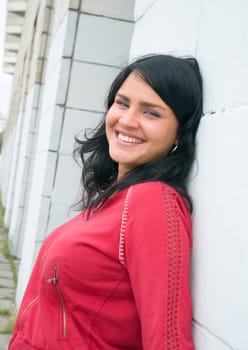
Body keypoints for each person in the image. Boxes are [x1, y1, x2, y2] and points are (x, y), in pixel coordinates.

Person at [9, 53, 203, 350]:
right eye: (122, 103)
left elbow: (168, 340)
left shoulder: (152, 201)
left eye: (151, 112)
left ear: (179, 133)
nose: (127, 120)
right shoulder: (115, 197)